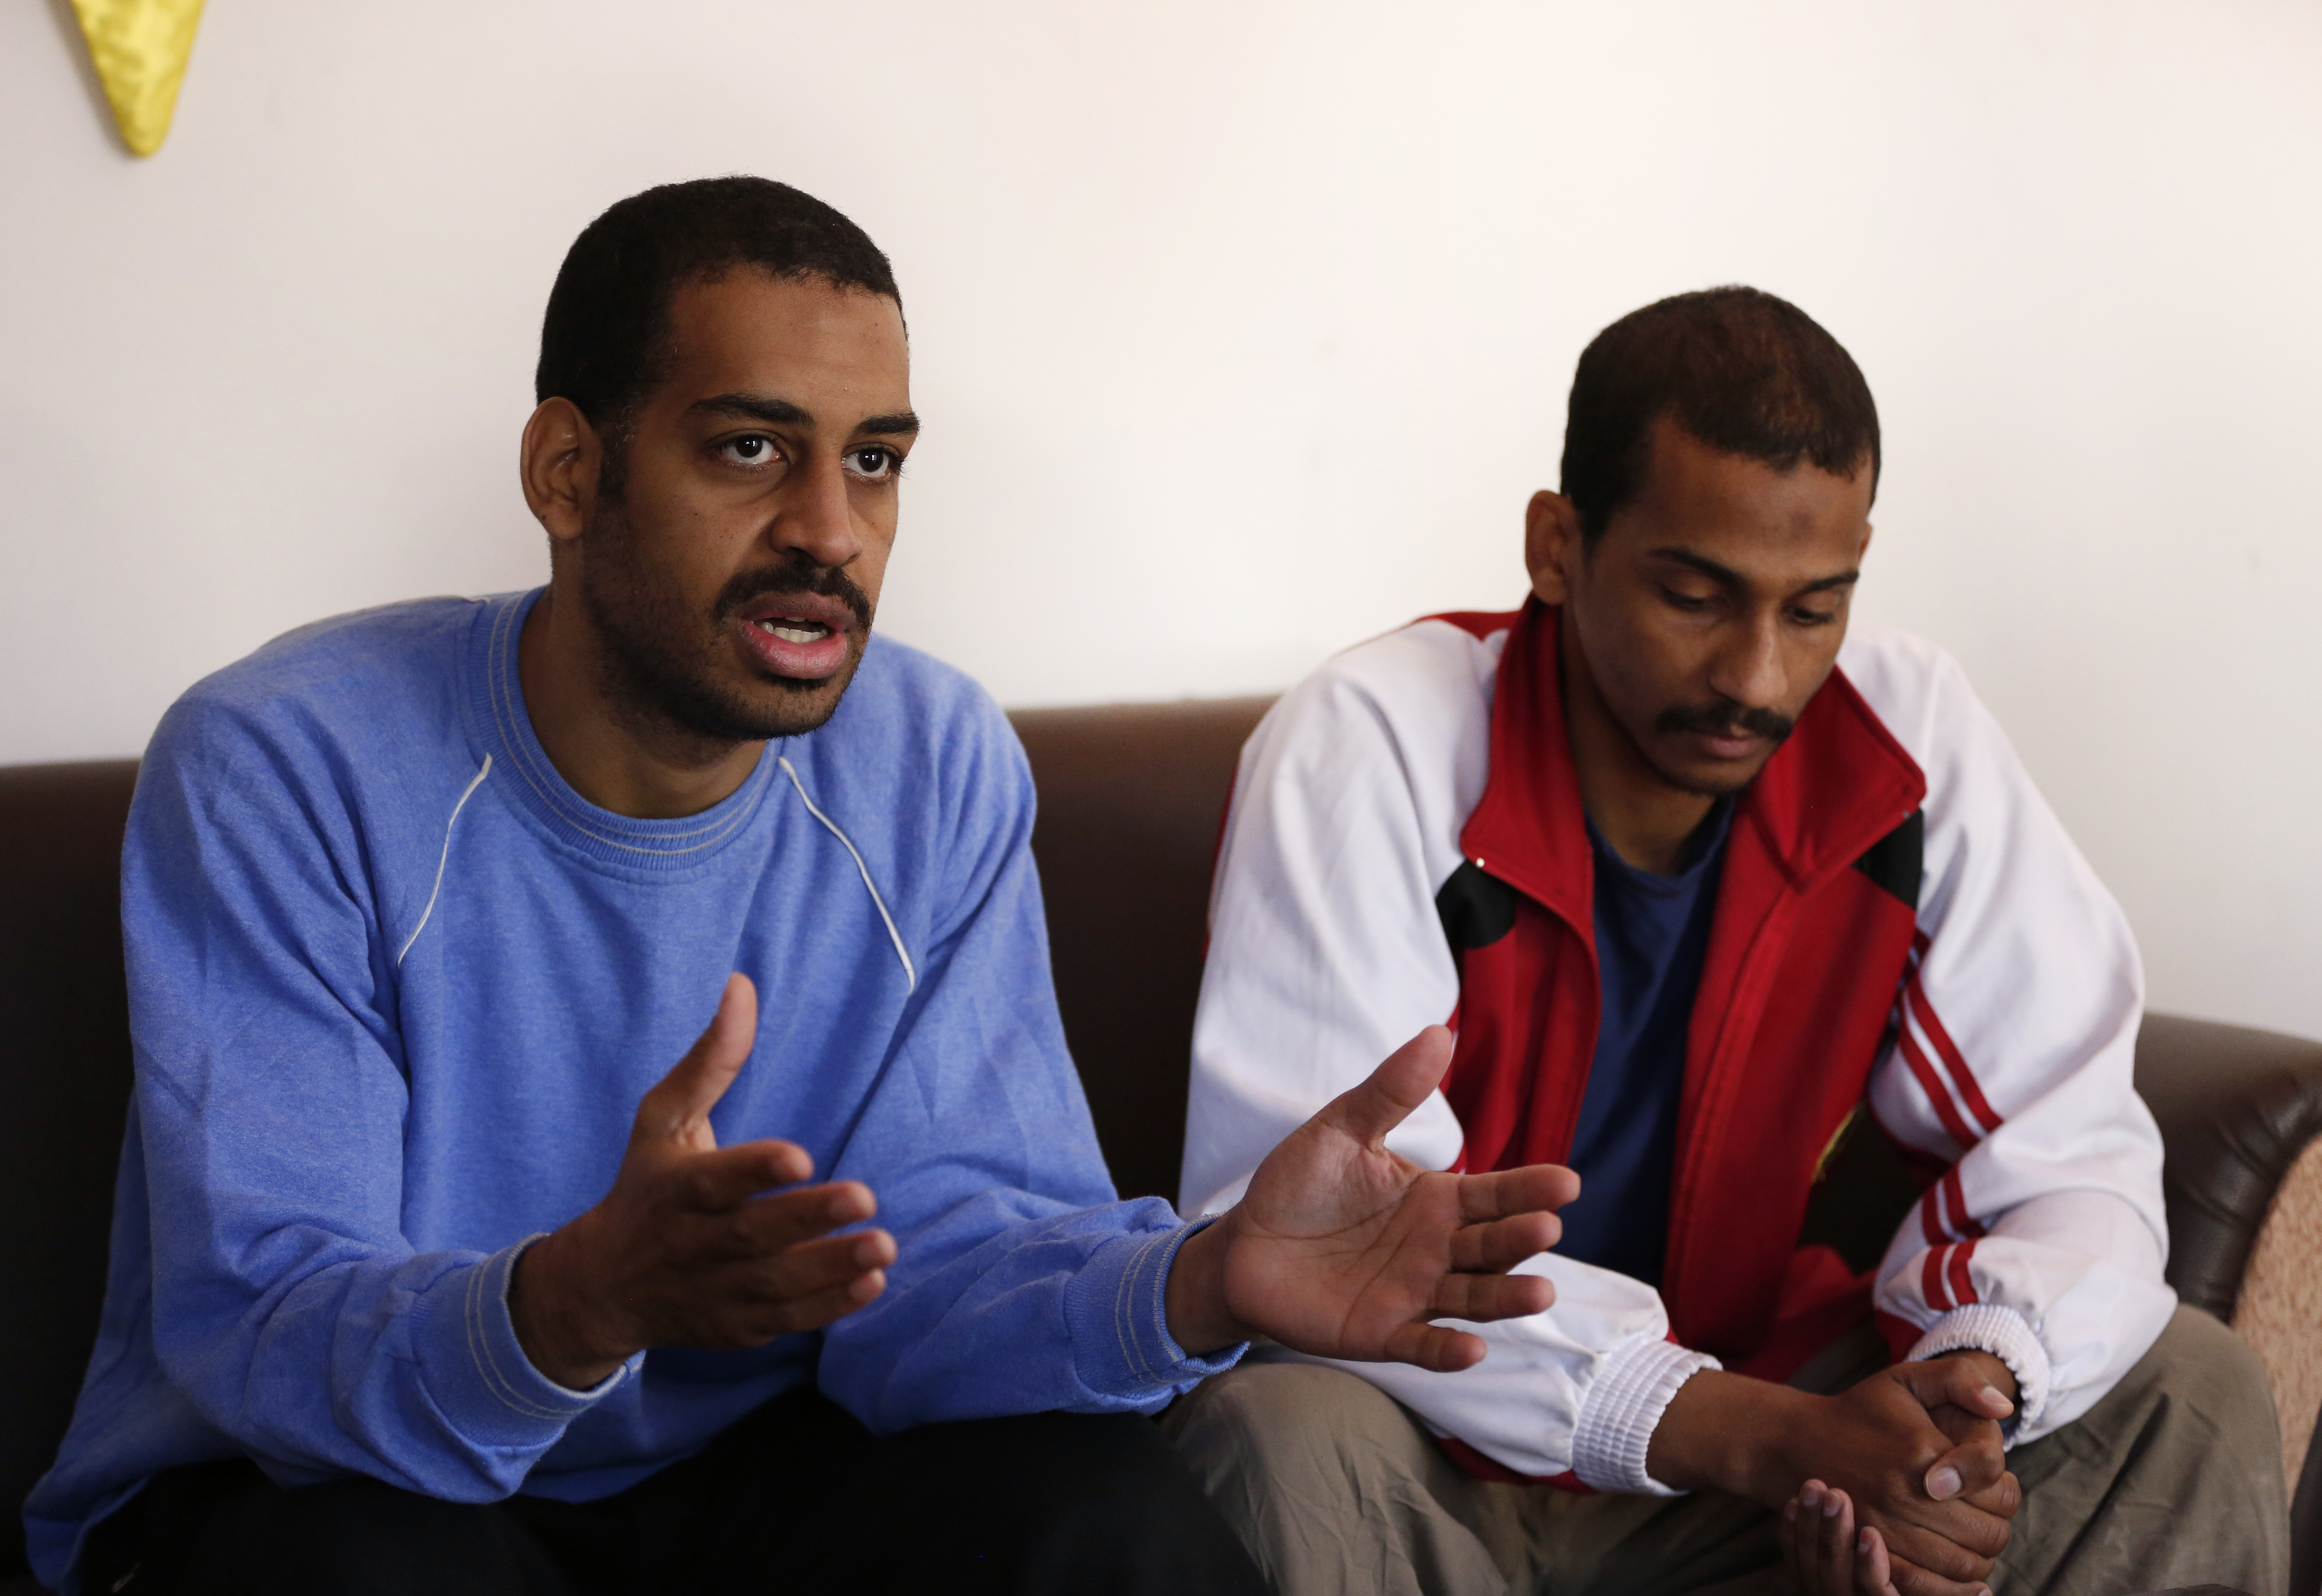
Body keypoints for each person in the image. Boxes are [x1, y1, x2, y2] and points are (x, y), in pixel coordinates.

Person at [22, 177, 1584, 1596]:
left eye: (877, 461)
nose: (830, 531)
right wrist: (571, 1303)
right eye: (751, 448)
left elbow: (944, 1267)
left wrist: (1193, 1283)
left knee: (1096, 1515)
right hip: (325, 1489)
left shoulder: (932, 759)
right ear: (568, 471)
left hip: (745, 1473)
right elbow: (268, 1329)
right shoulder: (285, 763)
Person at [1165, 287, 2288, 1596]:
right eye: (1694, 597)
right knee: (1271, 1434)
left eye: (1813, 609)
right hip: (1429, 1452)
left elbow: (2067, 1144)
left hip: (1759, 1441)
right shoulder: (1371, 744)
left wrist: (1953, 1430)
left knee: (2185, 1390)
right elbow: (1327, 1250)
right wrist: (1756, 1435)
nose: (1756, 676)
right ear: (1557, 547)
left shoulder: (1908, 739)